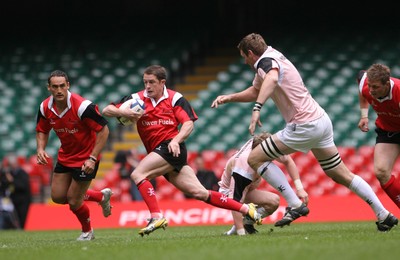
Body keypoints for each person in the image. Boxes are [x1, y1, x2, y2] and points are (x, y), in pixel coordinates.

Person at [211, 33, 398, 232]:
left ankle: (295, 204)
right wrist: (229, 97)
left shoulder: (265, 62)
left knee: (254, 158)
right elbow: (256, 90)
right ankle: (383, 214)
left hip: (304, 125)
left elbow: (272, 79)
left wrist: (257, 109)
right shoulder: (273, 56)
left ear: (250, 53)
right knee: (341, 174)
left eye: (244, 57)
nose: (245, 61)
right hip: (321, 121)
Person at [102, 65, 261, 237]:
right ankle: (245, 208)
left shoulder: (175, 99)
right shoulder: (137, 99)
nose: (147, 86)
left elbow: (188, 123)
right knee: (200, 193)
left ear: (162, 82)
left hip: (171, 147)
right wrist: (122, 111)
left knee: (138, 174)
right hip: (159, 152)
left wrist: (177, 140)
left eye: (152, 82)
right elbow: (106, 110)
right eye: (145, 82)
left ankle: (156, 216)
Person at [36, 70, 113, 241]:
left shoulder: (83, 107)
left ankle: (87, 232)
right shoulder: (45, 107)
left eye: (62, 86)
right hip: (66, 155)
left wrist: (93, 158)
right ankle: (100, 196)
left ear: (68, 85)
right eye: (55, 86)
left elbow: (104, 130)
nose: (59, 90)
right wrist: (40, 149)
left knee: (73, 201)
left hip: (87, 158)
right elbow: (42, 129)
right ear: (48, 88)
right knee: (57, 197)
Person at [219, 132, 309, 235]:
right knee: (239, 202)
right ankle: (238, 230)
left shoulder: (263, 148)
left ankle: (247, 222)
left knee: (273, 201)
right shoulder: (243, 167)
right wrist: (241, 233)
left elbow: (288, 161)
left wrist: (299, 188)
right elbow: (234, 202)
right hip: (227, 193)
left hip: (249, 187)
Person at [357, 63, 400, 209]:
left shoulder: (399, 92)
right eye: (370, 85)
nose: (371, 90)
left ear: (387, 83)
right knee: (381, 172)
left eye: (375, 87)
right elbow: (361, 89)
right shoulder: (365, 85)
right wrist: (364, 115)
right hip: (388, 131)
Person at [0, 154, 31, 229]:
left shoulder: (22, 173)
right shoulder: (10, 173)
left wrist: (12, 180)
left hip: (23, 201)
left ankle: (21, 230)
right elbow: (4, 185)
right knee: (14, 219)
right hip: (13, 200)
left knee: (22, 218)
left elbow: (22, 186)